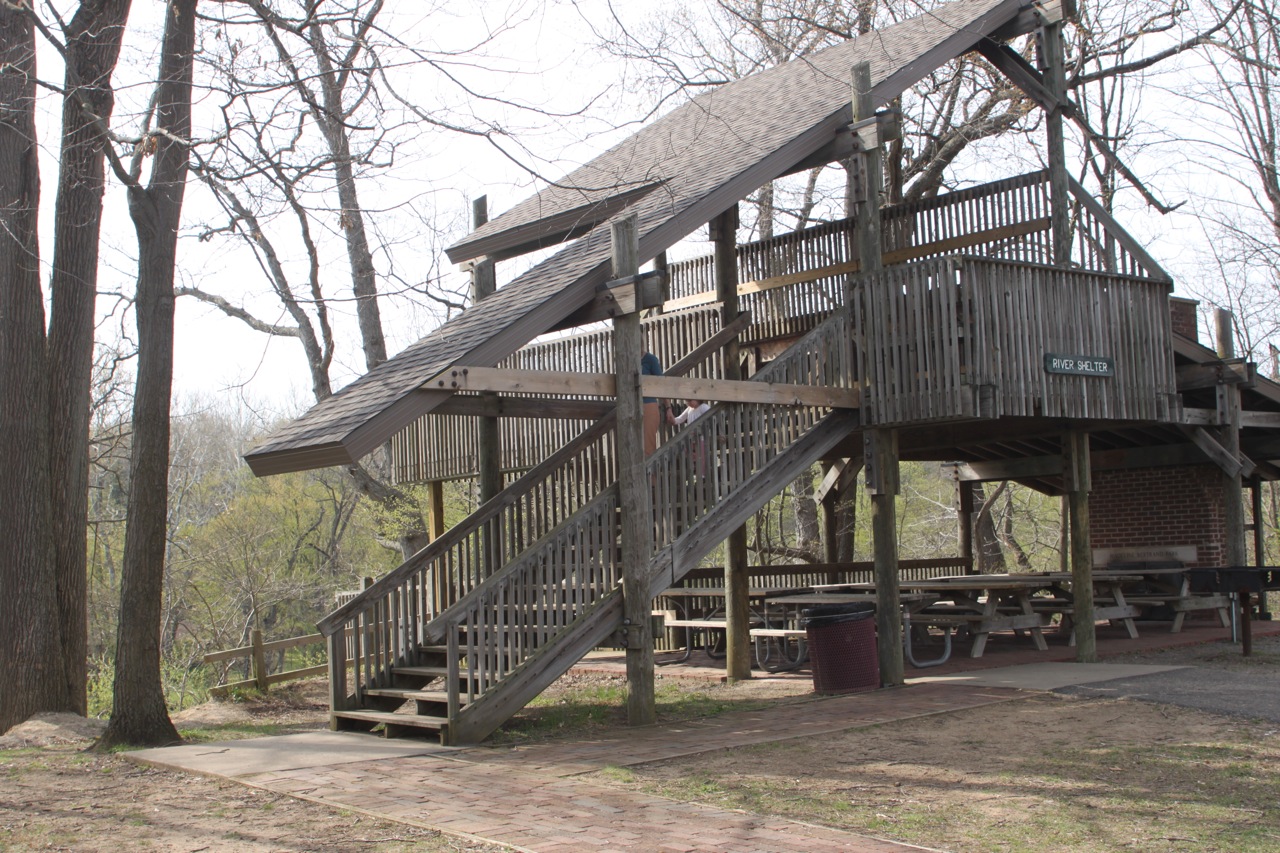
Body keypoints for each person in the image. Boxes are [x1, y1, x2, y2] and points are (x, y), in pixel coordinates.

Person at [640, 351, 663, 456]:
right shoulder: (626, 360)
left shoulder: (650, 359)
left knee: (648, 447)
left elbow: (662, 384)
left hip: (648, 404)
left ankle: (650, 472)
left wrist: (668, 408)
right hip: (631, 406)